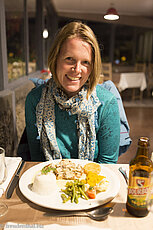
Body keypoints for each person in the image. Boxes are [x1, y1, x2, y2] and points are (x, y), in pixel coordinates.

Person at [25, 21, 121, 163]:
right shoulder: (35, 100)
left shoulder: (107, 103)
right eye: (69, 59)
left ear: (92, 67)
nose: (77, 69)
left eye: (85, 62)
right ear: (55, 59)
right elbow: (36, 160)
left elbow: (107, 165)